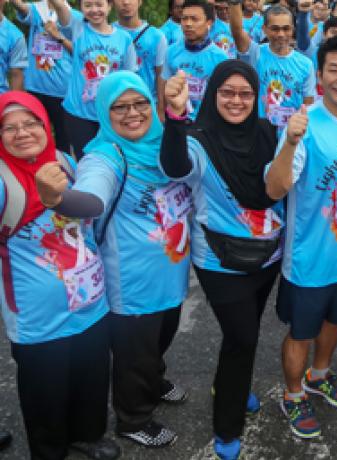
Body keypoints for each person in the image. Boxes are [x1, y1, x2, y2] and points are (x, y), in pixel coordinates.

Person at [37, 71, 190, 448]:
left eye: (139, 103)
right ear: (104, 114)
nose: (132, 113)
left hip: (171, 269)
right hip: (132, 279)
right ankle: (133, 417)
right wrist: (59, 199)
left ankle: (153, 378)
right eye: (119, 108)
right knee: (133, 351)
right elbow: (93, 197)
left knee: (161, 334)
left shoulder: (162, 142)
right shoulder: (105, 154)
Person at [160, 60, 283, 460]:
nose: (236, 100)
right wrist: (176, 117)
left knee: (242, 336)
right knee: (243, 336)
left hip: (268, 255)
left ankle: (231, 382)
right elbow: (175, 166)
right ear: (212, 94)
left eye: (245, 93)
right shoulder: (196, 139)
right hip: (219, 259)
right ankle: (227, 425)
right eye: (226, 92)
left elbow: (281, 179)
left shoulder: (267, 131)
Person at [265, 34, 337, 440]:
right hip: (308, 256)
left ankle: (319, 375)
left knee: (336, 320)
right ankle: (293, 395)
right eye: (334, 70)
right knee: (301, 332)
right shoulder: (304, 125)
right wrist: (290, 142)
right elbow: (275, 189)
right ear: (320, 76)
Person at [5, 92, 117, 460]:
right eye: (9, 128)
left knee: (92, 377)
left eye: (31, 122)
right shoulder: (4, 183)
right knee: (45, 394)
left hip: (90, 303)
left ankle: (88, 434)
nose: (22, 133)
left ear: (46, 125)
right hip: (38, 319)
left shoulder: (65, 161)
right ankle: (49, 451)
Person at [48, 0, 137, 158]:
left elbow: (129, 79)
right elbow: (59, 5)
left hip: (111, 114)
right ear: (81, 8)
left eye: (99, 4)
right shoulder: (78, 28)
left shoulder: (124, 39)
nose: (94, 10)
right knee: (86, 161)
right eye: (88, 5)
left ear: (109, 6)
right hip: (79, 113)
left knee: (113, 159)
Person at [230, 2, 315, 133]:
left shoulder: (306, 64)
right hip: (259, 133)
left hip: (290, 136)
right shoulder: (255, 53)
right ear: (264, 29)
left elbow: (308, 105)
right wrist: (234, 3)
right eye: (275, 29)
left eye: (286, 28)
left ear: (293, 29)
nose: (281, 34)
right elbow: (237, 32)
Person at [10, 0, 74, 152]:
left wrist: (58, 36)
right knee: (36, 136)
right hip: (35, 88)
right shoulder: (37, 10)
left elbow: (79, 52)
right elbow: (21, 7)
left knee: (63, 140)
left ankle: (63, 172)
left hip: (62, 90)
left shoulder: (73, 16)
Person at [160, 0, 228, 120]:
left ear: (209, 23)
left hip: (206, 124)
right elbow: (163, 84)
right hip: (176, 119)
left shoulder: (221, 58)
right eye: (184, 18)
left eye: (194, 19)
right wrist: (161, 112)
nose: (188, 24)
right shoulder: (171, 52)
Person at [113, 0, 168, 109]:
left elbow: (161, 75)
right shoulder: (108, 33)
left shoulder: (157, 36)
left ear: (140, 2)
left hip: (147, 103)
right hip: (115, 102)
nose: (126, 2)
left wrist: (161, 108)